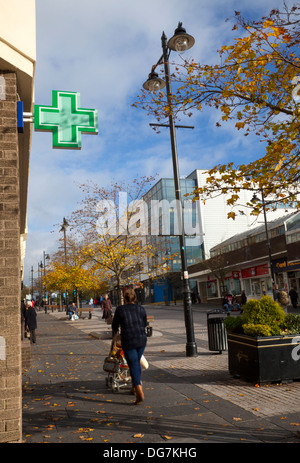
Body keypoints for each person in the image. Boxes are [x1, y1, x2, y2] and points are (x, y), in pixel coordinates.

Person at [112, 288, 147, 405]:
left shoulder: (120, 310)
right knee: (136, 363)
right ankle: (133, 387)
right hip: (141, 340)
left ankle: (138, 389)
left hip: (129, 340)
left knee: (133, 364)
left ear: (125, 299)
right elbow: (144, 323)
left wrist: (115, 336)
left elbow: (114, 326)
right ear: (135, 298)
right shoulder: (141, 309)